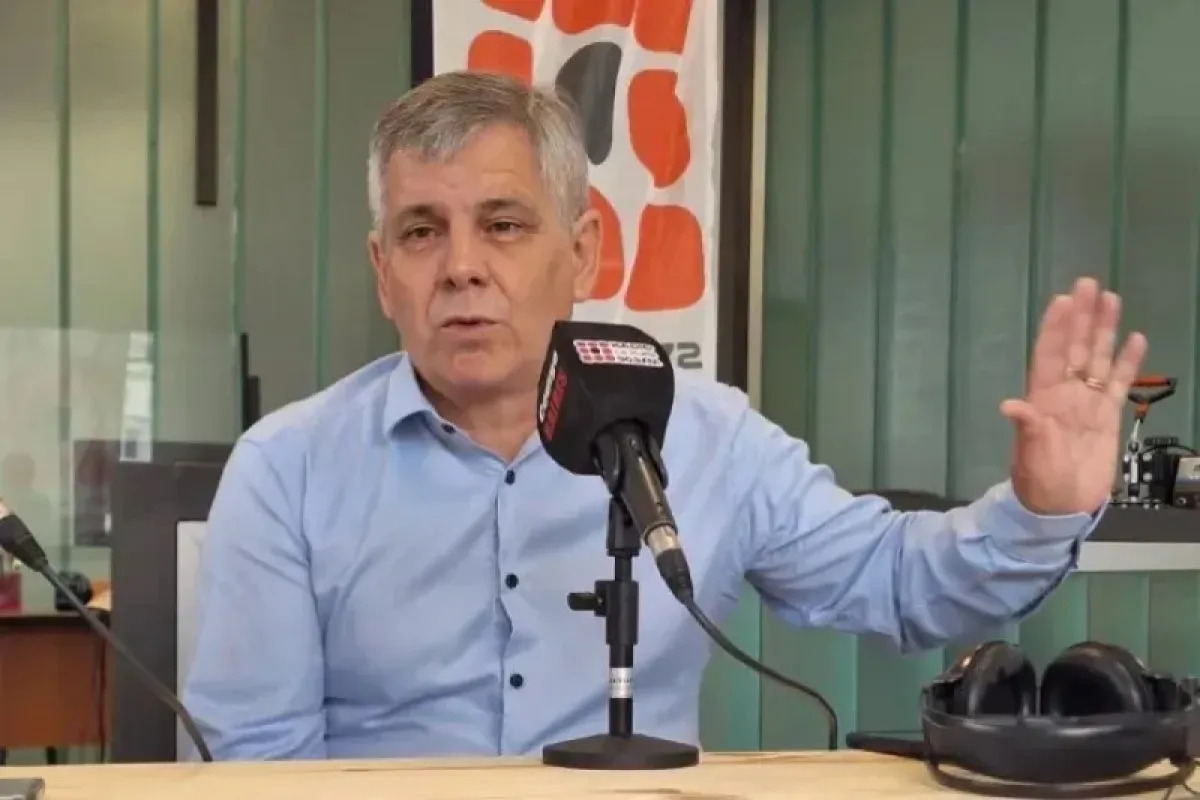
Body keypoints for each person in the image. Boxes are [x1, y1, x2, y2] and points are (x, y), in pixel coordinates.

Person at [182, 71, 1147, 761]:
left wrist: (1041, 508)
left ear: (584, 252)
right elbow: (258, 765)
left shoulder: (708, 438)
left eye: (504, 225)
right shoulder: (287, 468)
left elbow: (896, 583)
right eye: (421, 231)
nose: (462, 267)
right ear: (382, 271)